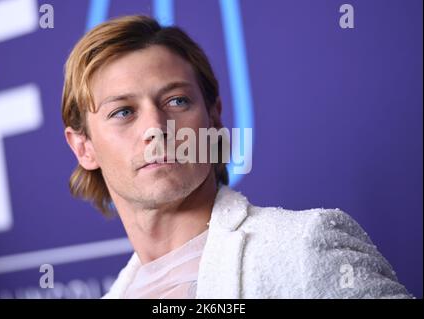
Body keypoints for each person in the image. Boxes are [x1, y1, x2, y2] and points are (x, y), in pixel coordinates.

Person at [61, 15, 411, 299]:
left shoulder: (303, 246)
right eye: (123, 112)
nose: (156, 128)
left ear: (214, 116)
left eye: (177, 101)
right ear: (83, 148)